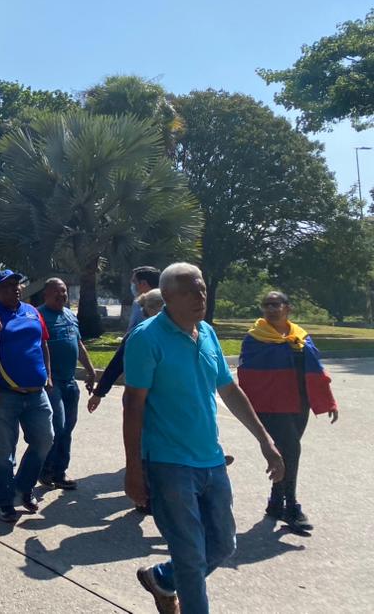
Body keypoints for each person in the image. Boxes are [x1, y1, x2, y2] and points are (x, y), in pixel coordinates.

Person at [124, 262, 284, 614]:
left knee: (223, 545)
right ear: (167, 297)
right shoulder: (147, 338)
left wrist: (264, 439)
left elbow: (228, 388)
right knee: (191, 556)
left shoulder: (207, 333)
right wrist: (133, 469)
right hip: (167, 463)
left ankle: (163, 578)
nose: (200, 296)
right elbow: (132, 405)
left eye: (202, 289)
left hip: (210, 459)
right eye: (189, 291)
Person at [237, 291, 339, 532]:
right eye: (266, 305)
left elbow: (316, 370)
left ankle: (275, 502)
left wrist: (329, 401)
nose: (271, 308)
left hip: (299, 403)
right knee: (292, 449)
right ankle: (291, 506)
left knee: (286, 452)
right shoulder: (255, 338)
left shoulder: (300, 336)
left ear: (288, 308)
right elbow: (247, 375)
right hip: (271, 405)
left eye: (276, 304)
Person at [0, 270, 53, 520]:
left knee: (44, 440)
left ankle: (23, 487)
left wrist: (48, 375)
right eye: (8, 286)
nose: (16, 289)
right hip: (2, 395)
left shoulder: (33, 311)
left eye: (17, 284)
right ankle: (6, 500)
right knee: (2, 452)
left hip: (36, 393)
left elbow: (42, 343)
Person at [37, 278, 97, 491]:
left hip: (71, 382)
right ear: (46, 294)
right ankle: (47, 469)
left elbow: (78, 344)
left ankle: (58, 471)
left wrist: (90, 371)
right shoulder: (38, 315)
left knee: (68, 428)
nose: (62, 295)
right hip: (52, 384)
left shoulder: (70, 315)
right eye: (57, 292)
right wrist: (45, 377)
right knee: (58, 427)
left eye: (64, 291)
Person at [89, 289, 164, 413]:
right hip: (146, 400)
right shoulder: (139, 335)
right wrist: (99, 393)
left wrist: (99, 393)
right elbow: (117, 365)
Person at [127, 266, 161, 332]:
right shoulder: (137, 303)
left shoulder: (160, 303)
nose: (132, 285)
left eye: (134, 282)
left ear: (143, 283)